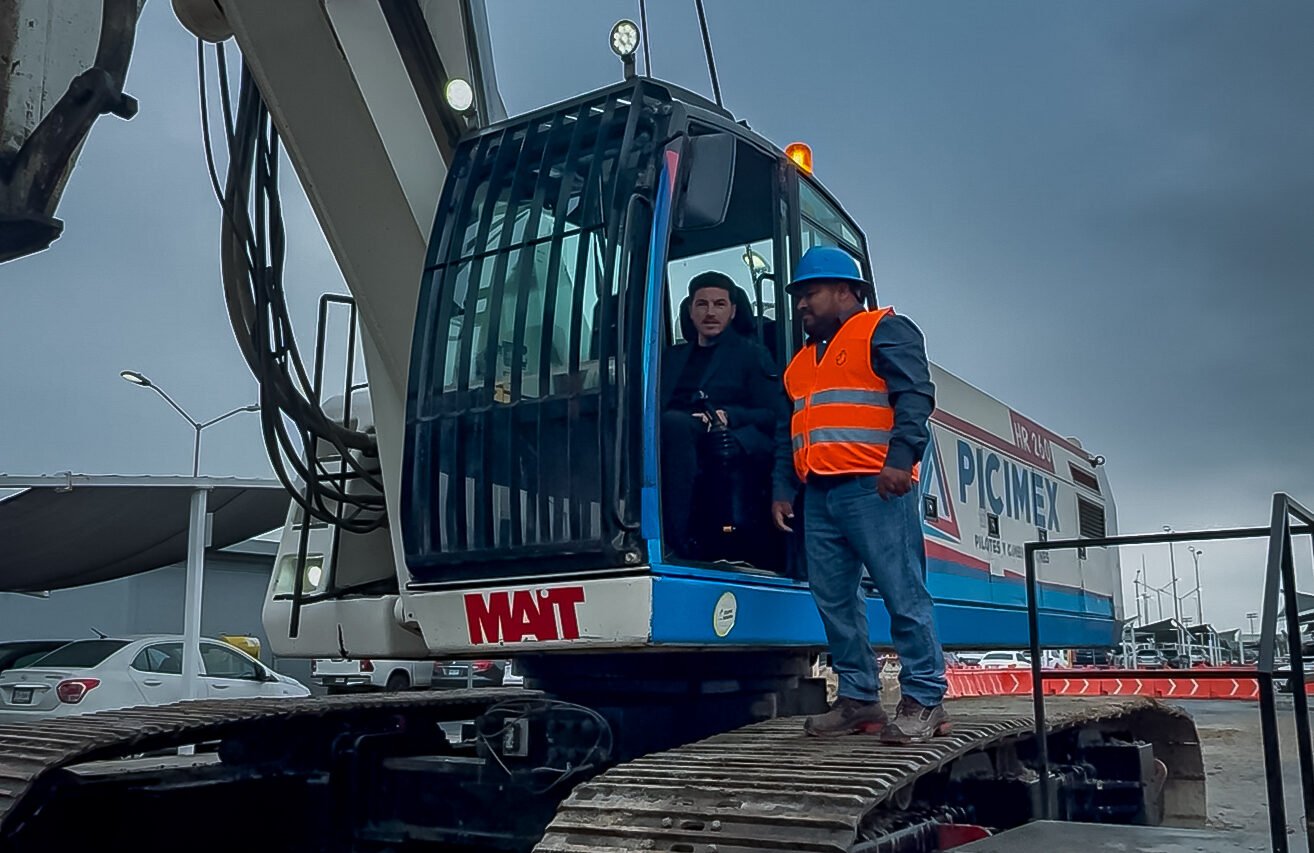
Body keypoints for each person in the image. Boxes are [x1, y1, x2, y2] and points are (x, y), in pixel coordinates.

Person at [770, 246, 948, 743]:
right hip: (820, 496)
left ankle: (925, 698)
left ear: (847, 292)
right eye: (799, 295)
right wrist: (783, 489)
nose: (802, 304)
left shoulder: (884, 330)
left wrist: (900, 458)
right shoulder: (801, 364)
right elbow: (792, 432)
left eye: (811, 293)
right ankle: (859, 699)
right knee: (834, 600)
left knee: (902, 591)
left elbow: (914, 395)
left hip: (874, 488)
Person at [661, 271, 780, 558]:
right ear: (689, 311)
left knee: (673, 424)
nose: (710, 312)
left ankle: (675, 542)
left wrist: (728, 417)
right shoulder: (669, 358)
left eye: (719, 304)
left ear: (733, 310)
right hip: (669, 435)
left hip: (720, 439)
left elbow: (773, 414)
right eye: (702, 304)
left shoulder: (751, 354)